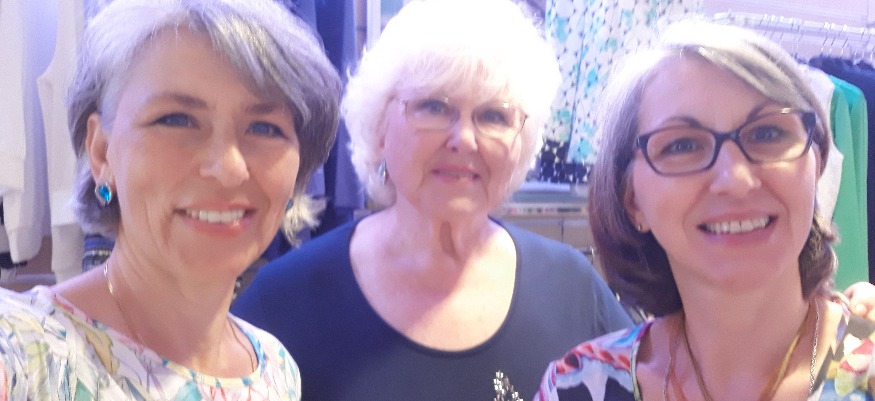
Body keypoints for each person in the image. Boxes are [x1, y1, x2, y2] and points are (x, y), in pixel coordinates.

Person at [231, 0, 634, 399]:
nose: (465, 139)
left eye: (494, 116)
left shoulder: (574, 292)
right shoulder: (283, 302)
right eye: (434, 107)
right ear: (380, 129)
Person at [0, 0, 341, 399]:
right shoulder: (26, 350)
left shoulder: (276, 370)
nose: (229, 168)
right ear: (101, 152)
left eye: (265, 128)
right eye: (176, 119)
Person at [535, 20, 875, 400]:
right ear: (632, 200)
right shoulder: (577, 387)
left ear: (818, 160)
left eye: (767, 133)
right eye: (682, 145)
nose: (735, 179)